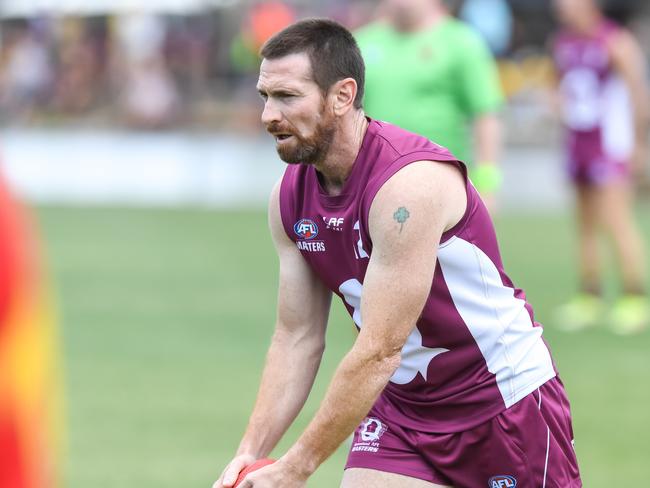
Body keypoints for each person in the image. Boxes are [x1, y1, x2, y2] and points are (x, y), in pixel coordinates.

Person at [214, 19, 581, 488]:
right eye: (265, 96)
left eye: (287, 97)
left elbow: (380, 349)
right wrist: (250, 454)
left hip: (501, 403)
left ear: (343, 96)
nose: (268, 115)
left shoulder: (407, 188)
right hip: (402, 409)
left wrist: (296, 468)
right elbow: (296, 337)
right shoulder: (288, 199)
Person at [551, 0, 649, 334]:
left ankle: (634, 296)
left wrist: (638, 144)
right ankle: (589, 294)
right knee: (584, 223)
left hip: (610, 145)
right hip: (578, 144)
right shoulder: (562, 43)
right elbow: (558, 85)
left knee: (617, 220)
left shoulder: (615, 41)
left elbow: (637, 94)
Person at [355, 0, 504, 210]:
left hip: (442, 182)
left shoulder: (461, 41)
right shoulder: (362, 43)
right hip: (373, 182)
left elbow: (485, 115)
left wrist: (487, 183)